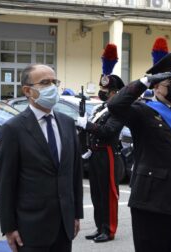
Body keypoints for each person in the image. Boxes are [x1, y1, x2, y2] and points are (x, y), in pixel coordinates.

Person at [108, 51, 171, 252]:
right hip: (153, 203)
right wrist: (145, 81)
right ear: (156, 87)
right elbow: (115, 105)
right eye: (170, 83)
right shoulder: (142, 111)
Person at [0, 64, 83, 252]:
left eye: (54, 82)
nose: (52, 87)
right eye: (45, 83)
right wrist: (9, 228)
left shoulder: (67, 124)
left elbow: (74, 173)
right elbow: (5, 183)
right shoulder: (13, 129)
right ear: (27, 90)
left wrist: (76, 214)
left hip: (64, 226)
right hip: (31, 228)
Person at [76, 43, 125, 243]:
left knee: (108, 194)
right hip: (96, 154)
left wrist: (86, 125)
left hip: (109, 156)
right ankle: (99, 227)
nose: (102, 91)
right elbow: (92, 132)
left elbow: (108, 131)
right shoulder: (100, 109)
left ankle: (109, 229)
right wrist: (86, 147)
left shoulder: (119, 109)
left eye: (106, 89)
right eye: (101, 88)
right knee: (96, 193)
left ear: (114, 92)